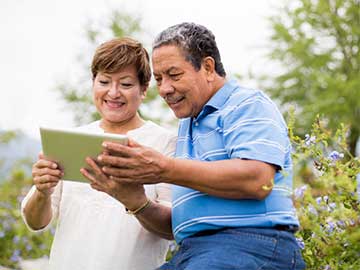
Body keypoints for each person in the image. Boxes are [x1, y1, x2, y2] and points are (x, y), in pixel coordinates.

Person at [96, 23, 306, 269]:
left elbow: (258, 180)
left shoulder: (246, 104)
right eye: (159, 79)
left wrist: (164, 168)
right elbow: (177, 228)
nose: (164, 89)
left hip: (252, 244)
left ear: (207, 67)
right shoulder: (188, 125)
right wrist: (136, 201)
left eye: (174, 75)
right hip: (194, 251)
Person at [21, 37, 177, 270]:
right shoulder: (70, 140)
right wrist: (43, 191)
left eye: (125, 84)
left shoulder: (165, 143)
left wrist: (134, 201)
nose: (113, 93)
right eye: (104, 81)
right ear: (93, 83)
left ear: (143, 89)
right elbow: (35, 223)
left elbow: (172, 227)